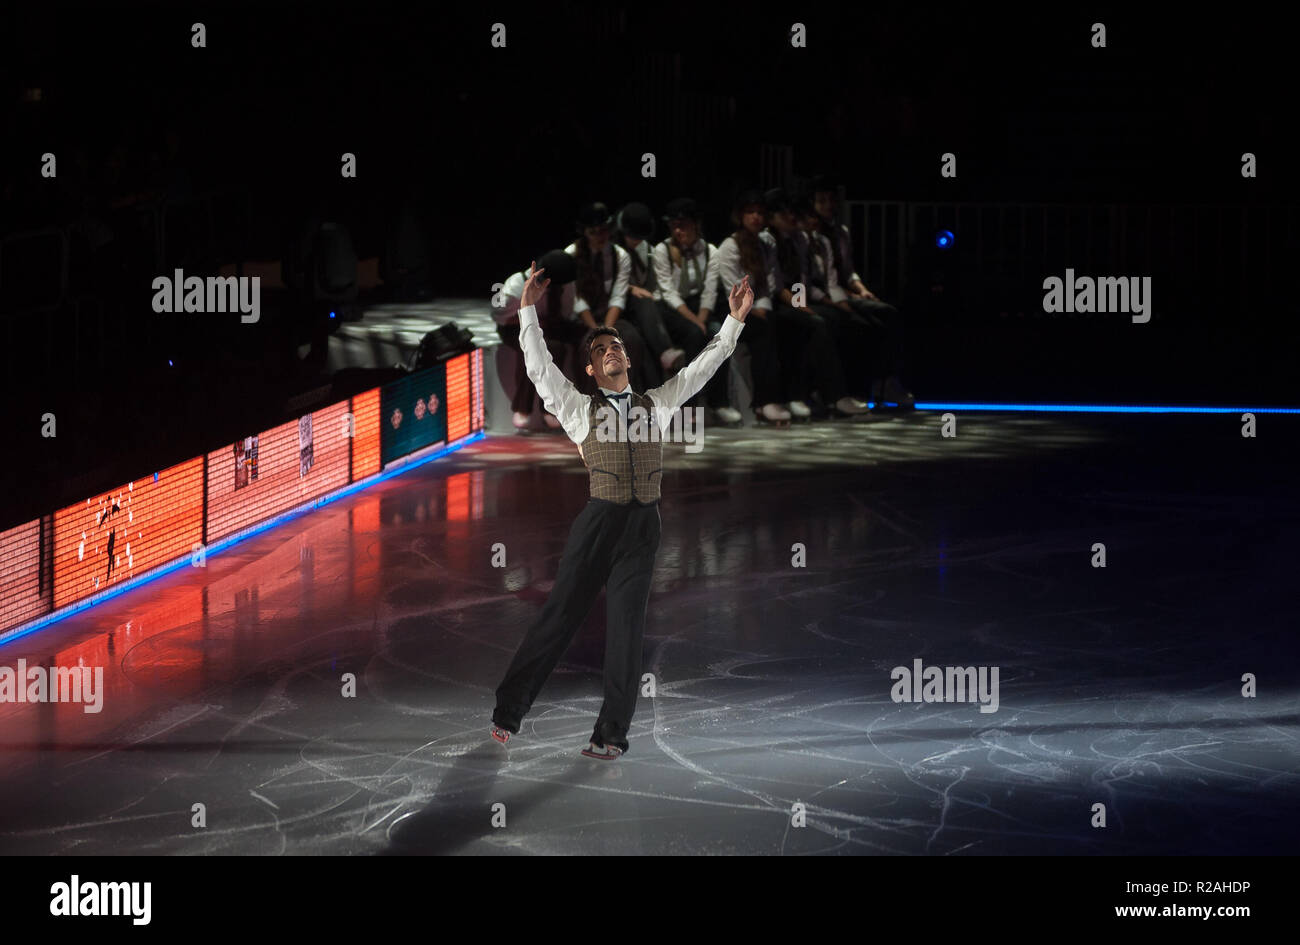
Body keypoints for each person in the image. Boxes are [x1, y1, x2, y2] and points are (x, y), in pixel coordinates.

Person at [490, 262, 755, 759]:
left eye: (616, 346)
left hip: (643, 527)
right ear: (590, 370)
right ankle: (509, 710)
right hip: (599, 523)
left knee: (628, 631)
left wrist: (734, 321)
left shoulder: (659, 402)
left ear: (627, 359)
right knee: (560, 617)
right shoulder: (575, 408)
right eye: (600, 350)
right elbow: (539, 366)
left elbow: (703, 366)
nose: (611, 350)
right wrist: (527, 309)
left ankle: (611, 733)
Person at [762, 187, 871, 419]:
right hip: (773, 301)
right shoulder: (767, 239)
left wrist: (802, 304)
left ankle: (831, 392)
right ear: (773, 217)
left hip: (796, 299)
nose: (792, 217)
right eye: (785, 213)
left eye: (793, 212)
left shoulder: (799, 238)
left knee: (839, 320)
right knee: (815, 322)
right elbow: (775, 283)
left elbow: (802, 277)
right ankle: (831, 396)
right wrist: (800, 307)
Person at [810, 176, 914, 408]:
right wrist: (843, 299)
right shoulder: (810, 235)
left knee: (887, 314)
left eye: (830, 200)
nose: (827, 206)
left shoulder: (841, 232)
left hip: (844, 293)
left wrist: (862, 291)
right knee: (861, 325)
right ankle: (852, 388)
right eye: (821, 201)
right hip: (826, 296)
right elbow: (816, 280)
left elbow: (847, 272)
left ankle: (885, 382)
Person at [651, 197, 742, 426]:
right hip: (670, 309)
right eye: (673, 225)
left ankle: (719, 402)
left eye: (683, 224)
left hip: (697, 308)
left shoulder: (710, 251)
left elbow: (710, 292)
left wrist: (701, 319)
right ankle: (686, 406)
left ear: (696, 224)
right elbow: (668, 292)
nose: (678, 230)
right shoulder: (662, 250)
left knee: (718, 335)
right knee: (693, 334)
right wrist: (694, 322)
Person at [714, 190, 792, 427]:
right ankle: (764, 402)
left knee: (792, 324)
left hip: (761, 306)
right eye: (750, 212)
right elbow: (735, 290)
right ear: (740, 216)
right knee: (764, 331)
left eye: (760, 212)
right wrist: (756, 309)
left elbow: (771, 282)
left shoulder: (767, 242)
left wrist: (765, 307)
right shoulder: (729, 246)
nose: (756, 217)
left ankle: (794, 396)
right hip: (734, 310)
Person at [565, 202, 653, 395]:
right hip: (581, 319)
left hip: (610, 317)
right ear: (584, 232)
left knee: (631, 340)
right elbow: (577, 299)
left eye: (603, 230)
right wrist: (595, 331)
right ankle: (594, 401)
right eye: (593, 232)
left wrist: (606, 330)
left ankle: (628, 397)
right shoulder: (571, 255)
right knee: (587, 348)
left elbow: (618, 297)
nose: (600, 236)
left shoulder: (619, 255)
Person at [493, 250, 586, 432]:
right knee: (532, 347)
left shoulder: (565, 285)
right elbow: (498, 316)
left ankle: (553, 406)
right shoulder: (515, 286)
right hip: (515, 325)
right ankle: (523, 407)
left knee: (564, 345)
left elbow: (566, 313)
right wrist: (526, 307)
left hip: (548, 324)